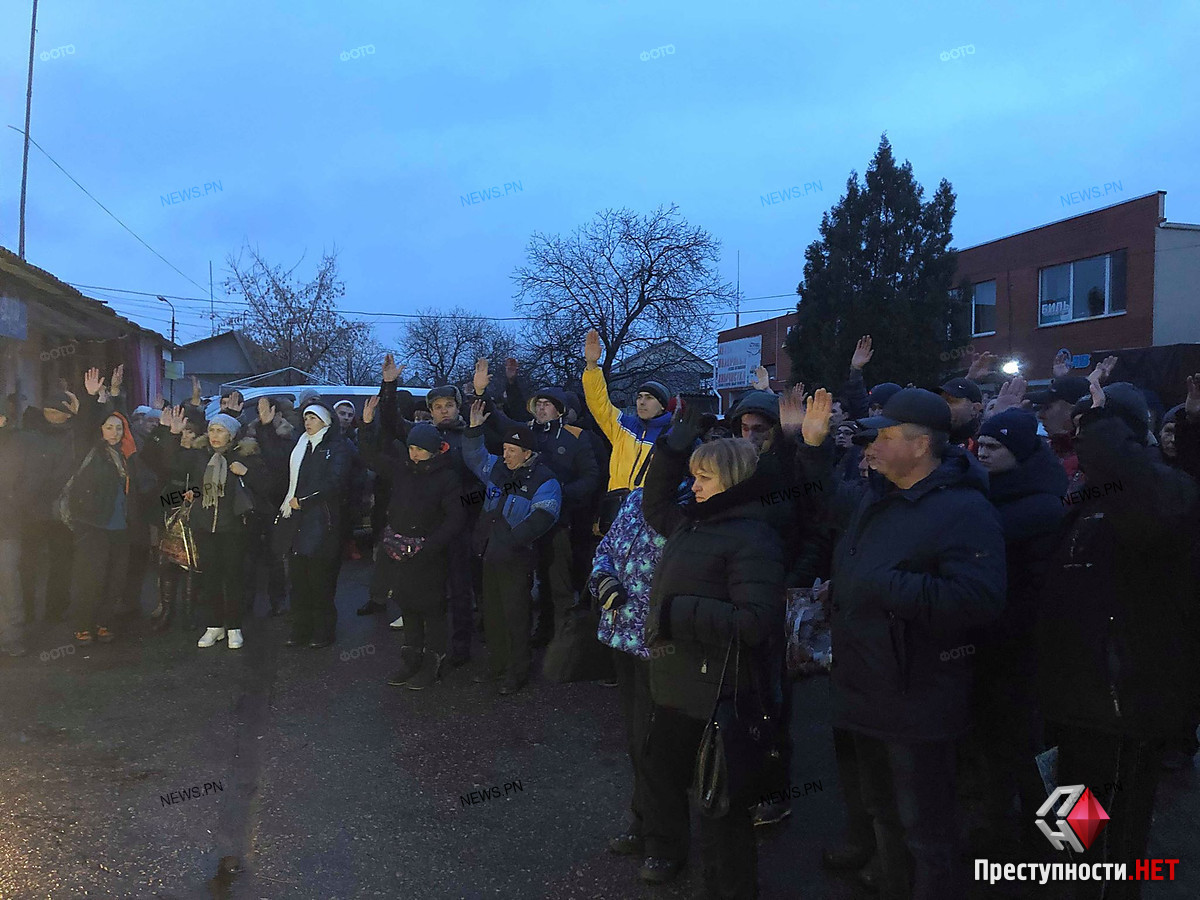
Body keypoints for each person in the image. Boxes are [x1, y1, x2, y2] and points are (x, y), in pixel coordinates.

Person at [795, 387, 1007, 900]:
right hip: (864, 685)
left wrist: (880, 583)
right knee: (883, 815)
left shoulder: (962, 509)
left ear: (921, 445)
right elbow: (822, 501)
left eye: (885, 436)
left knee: (925, 829)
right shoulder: (879, 495)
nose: (871, 446)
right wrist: (810, 447)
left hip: (918, 696)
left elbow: (979, 599)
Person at [1037, 378, 1199, 898]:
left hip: (1126, 699)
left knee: (1115, 839)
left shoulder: (1163, 492)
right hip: (1077, 694)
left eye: (1092, 432)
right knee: (1069, 826)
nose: (1079, 443)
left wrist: (1105, 423)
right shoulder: (1089, 497)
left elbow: (1145, 506)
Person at [638, 406, 785, 896]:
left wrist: (677, 612)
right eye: (693, 475)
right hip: (674, 685)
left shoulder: (752, 537)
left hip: (719, 693)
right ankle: (667, 850)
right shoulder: (693, 523)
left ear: (733, 479)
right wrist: (677, 443)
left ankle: (730, 889)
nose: (693, 485)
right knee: (662, 779)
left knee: (721, 806)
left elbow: (756, 622)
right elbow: (654, 499)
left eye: (704, 476)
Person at [971, 408, 1067, 856]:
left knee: (1039, 752)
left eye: (994, 447)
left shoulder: (1040, 503)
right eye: (980, 445)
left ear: (1021, 452)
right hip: (996, 645)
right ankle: (1002, 834)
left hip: (1028, 648)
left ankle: (1069, 844)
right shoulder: (995, 492)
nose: (983, 454)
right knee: (1000, 747)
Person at [472, 359, 599, 646]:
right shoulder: (526, 431)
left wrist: (558, 493)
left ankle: (565, 639)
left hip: (558, 522)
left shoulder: (576, 437)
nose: (541, 408)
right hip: (521, 521)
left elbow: (591, 477)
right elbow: (497, 419)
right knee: (527, 580)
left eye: (548, 404)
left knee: (558, 582)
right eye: (538, 403)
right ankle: (539, 631)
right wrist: (482, 394)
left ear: (560, 409)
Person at [371, 355, 482, 665]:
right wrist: (389, 385)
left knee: (460, 588)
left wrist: (461, 506)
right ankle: (423, 646)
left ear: (457, 408)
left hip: (458, 526)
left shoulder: (470, 434)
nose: (443, 410)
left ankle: (460, 647)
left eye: (448, 405)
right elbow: (392, 422)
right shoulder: (422, 435)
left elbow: (485, 482)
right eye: (437, 406)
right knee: (424, 589)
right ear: (430, 412)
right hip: (421, 530)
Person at [359, 395, 465, 690]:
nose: (414, 454)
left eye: (420, 449)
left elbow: (455, 519)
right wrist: (366, 426)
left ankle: (433, 661)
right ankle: (410, 659)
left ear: (433, 450)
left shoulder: (447, 478)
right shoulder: (403, 469)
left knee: (431, 609)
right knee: (407, 605)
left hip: (428, 553)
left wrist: (428, 546)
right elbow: (370, 457)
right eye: (412, 448)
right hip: (399, 551)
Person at [462, 400, 562, 696]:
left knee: (516, 615)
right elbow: (474, 455)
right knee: (492, 613)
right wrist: (474, 430)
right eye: (504, 450)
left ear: (528, 453)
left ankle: (518, 670)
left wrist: (511, 542)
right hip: (489, 554)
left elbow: (543, 517)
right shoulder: (498, 469)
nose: (505, 455)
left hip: (516, 558)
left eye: (512, 451)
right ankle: (497, 663)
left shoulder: (546, 480)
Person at [591, 487, 668, 860]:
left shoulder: (688, 507)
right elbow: (605, 549)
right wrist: (602, 578)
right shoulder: (638, 499)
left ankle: (660, 836)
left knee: (654, 743)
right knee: (636, 738)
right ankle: (643, 818)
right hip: (622, 637)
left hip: (662, 646)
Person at [154, 406, 268, 649]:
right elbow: (170, 466)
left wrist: (246, 473)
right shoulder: (199, 456)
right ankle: (214, 625)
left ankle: (235, 627)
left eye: (221, 431)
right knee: (210, 577)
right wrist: (172, 435)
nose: (215, 435)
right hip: (204, 527)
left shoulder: (245, 457)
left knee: (234, 577)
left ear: (232, 435)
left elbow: (267, 487)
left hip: (234, 528)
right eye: (212, 430)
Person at [64, 368, 143, 645]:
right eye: (109, 426)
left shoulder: (127, 455)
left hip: (120, 526)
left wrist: (117, 394)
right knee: (89, 577)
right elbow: (85, 424)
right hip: (93, 523)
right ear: (100, 429)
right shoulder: (91, 448)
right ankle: (82, 624)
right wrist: (90, 396)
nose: (114, 431)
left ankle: (103, 622)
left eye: (119, 428)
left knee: (114, 578)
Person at [276, 399, 352, 648]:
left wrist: (306, 500)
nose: (308, 422)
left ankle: (323, 630)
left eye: (313, 418)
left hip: (322, 520)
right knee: (298, 580)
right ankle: (300, 628)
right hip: (297, 519)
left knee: (320, 580)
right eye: (306, 418)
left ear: (326, 421)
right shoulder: (301, 446)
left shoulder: (337, 447)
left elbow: (336, 481)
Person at [581, 329, 673, 534]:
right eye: (639, 396)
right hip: (617, 512)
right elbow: (599, 404)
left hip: (650, 518)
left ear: (663, 405)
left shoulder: (673, 435)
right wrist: (592, 366)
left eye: (649, 397)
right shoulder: (625, 426)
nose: (641, 401)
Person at [17, 388, 85, 625]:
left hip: (61, 511)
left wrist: (81, 413)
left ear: (68, 414)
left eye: (57, 410)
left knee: (61, 563)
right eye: (48, 409)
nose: (51, 413)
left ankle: (55, 611)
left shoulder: (77, 434)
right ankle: (26, 611)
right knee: (28, 564)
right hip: (32, 510)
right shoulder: (30, 433)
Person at [0, 409, 26, 656]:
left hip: (6, 525)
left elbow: (18, 483)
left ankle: (11, 636)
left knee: (8, 580)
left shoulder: (14, 444)